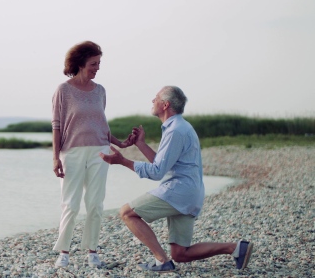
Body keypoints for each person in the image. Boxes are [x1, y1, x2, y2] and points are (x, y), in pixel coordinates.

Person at [99, 86, 254, 273]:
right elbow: (163, 166)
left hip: (179, 191)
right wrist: (140, 144)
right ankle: (236, 248)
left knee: (126, 212)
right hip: (189, 192)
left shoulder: (175, 131)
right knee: (181, 253)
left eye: (156, 98)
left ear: (165, 105)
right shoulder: (178, 127)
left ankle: (161, 261)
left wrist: (122, 161)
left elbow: (157, 172)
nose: (152, 100)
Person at [52, 41, 134, 268]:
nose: (97, 67)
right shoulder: (63, 90)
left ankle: (92, 251)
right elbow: (57, 126)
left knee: (96, 203)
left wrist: (120, 143)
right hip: (72, 152)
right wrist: (55, 157)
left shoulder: (100, 91)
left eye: (99, 63)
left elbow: (101, 125)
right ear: (80, 63)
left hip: (100, 151)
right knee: (71, 204)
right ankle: (64, 253)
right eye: (93, 63)